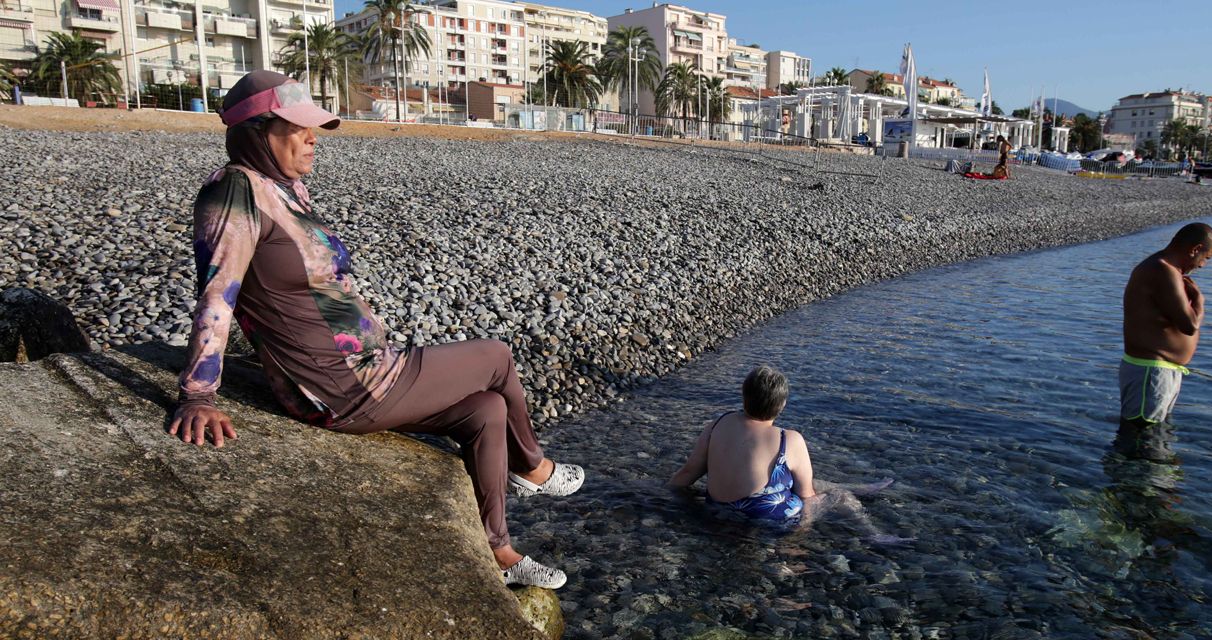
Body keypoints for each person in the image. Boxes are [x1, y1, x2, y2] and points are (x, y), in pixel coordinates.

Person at [167, 71, 582, 589]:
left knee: (487, 411)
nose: (313, 138)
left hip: (366, 368)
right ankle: (534, 468)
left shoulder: (282, 189)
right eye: (297, 127)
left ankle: (496, 549)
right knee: (495, 356)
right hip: (342, 384)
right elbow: (218, 294)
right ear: (257, 131)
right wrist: (198, 394)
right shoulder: (235, 193)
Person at [668, 366, 814, 522]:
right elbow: (806, 494)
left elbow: (689, 472)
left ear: (744, 396)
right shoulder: (789, 439)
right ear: (782, 404)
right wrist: (805, 525)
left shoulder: (717, 424)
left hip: (715, 513)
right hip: (763, 523)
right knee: (828, 494)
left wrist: (666, 495)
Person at [1120, 223, 1212, 425]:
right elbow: (1189, 325)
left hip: (1158, 371)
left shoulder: (1166, 270)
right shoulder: (1163, 270)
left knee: (1154, 433)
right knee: (1142, 432)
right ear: (1195, 249)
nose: (1202, 265)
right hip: (1151, 372)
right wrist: (1199, 301)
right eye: (1206, 258)